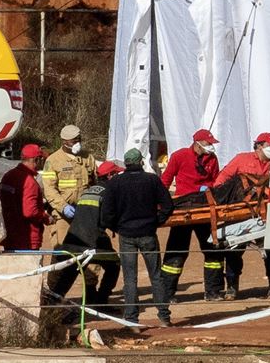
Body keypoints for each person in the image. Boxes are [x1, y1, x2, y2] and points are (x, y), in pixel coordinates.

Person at [101, 148, 174, 328]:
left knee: (130, 278)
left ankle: (132, 320)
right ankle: (164, 317)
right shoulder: (152, 180)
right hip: (148, 234)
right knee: (156, 276)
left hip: (126, 235)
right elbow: (168, 205)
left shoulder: (115, 183)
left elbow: (107, 213)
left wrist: (116, 227)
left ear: (126, 164)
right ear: (141, 162)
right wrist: (156, 221)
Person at [47, 161, 124, 310]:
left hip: (74, 237)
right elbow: (107, 218)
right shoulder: (109, 192)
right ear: (110, 175)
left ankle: (52, 304)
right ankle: (100, 302)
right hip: (93, 239)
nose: (119, 177)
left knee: (71, 270)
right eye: (117, 174)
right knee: (114, 265)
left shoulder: (89, 190)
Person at [160, 128, 225, 301]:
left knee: (212, 250)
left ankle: (213, 291)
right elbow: (165, 179)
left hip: (204, 208)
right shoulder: (180, 156)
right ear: (198, 143)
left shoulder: (212, 159)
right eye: (208, 143)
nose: (211, 147)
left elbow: (215, 180)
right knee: (176, 251)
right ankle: (166, 294)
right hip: (183, 210)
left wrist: (208, 189)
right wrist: (159, 201)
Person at [213, 132, 270, 300]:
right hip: (240, 214)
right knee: (234, 250)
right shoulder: (242, 159)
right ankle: (232, 287)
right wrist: (219, 196)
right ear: (260, 146)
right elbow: (223, 178)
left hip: (265, 215)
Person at [42, 124, 97, 249]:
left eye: (79, 139)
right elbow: (49, 189)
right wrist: (63, 207)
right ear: (64, 141)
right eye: (74, 140)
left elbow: (94, 183)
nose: (77, 142)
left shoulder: (87, 157)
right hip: (64, 214)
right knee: (63, 250)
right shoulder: (53, 160)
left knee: (87, 248)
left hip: (85, 212)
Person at [0, 144, 55, 250]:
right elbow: (30, 211)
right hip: (27, 238)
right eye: (41, 159)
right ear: (36, 160)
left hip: (10, 235)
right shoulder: (30, 182)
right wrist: (46, 218)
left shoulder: (8, 176)